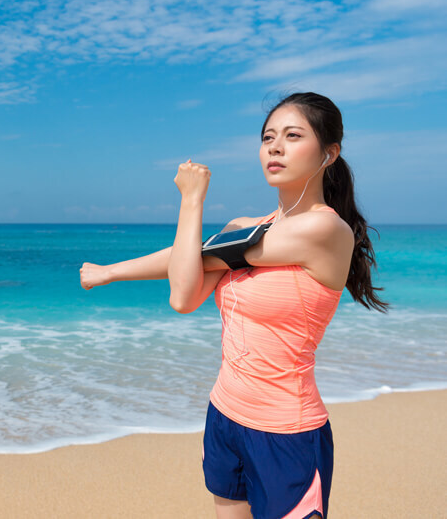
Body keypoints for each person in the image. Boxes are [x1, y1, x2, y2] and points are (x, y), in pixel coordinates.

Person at [79, 92, 388, 519]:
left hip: (285, 432)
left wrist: (191, 200)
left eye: (293, 136)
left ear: (329, 153)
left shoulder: (325, 229)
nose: (275, 147)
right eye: (268, 138)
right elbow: (186, 294)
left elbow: (192, 267)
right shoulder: (244, 228)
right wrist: (110, 271)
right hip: (225, 414)